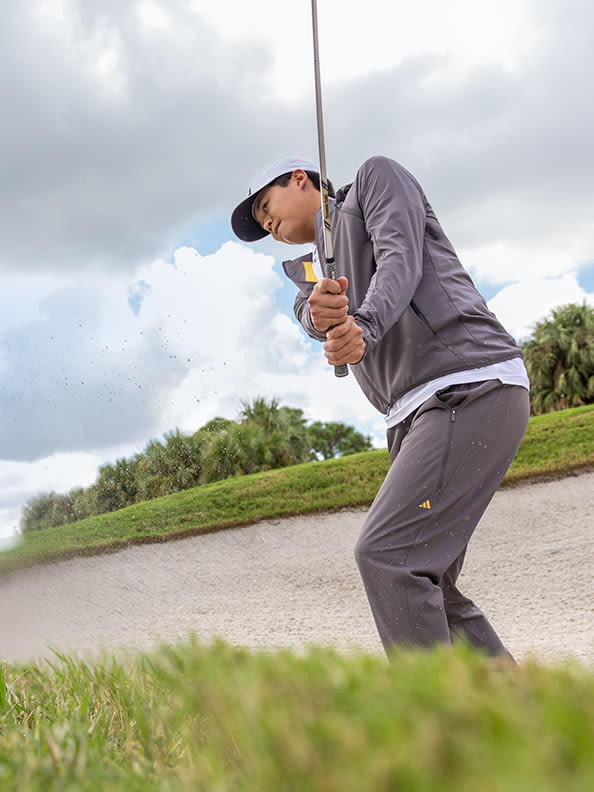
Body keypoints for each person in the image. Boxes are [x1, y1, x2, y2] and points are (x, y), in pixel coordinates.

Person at [231, 155, 530, 659]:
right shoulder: (308, 268)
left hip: (466, 384)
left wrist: (363, 325)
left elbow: (400, 260)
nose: (268, 224)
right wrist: (321, 314)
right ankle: (520, 726)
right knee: (429, 586)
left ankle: (432, 729)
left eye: (266, 206)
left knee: (388, 557)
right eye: (262, 224)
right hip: (412, 416)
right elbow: (309, 310)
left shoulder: (375, 179)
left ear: (300, 179)